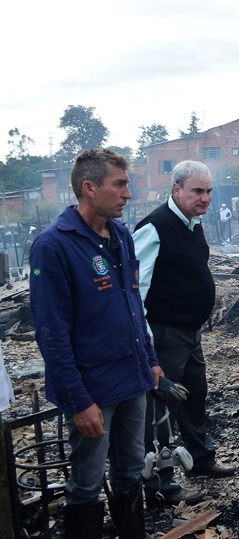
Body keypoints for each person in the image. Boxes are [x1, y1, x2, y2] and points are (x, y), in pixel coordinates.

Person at [30, 149, 161, 538]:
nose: (128, 194)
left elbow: (133, 301)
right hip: (92, 387)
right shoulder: (53, 245)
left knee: (130, 469)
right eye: (119, 184)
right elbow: (51, 332)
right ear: (90, 188)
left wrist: (150, 358)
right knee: (86, 481)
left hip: (132, 375)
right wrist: (78, 400)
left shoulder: (120, 234)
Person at [134, 161, 236, 507]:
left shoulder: (194, 225)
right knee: (160, 408)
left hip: (189, 334)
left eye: (208, 191)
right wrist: (146, 343)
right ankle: (160, 486)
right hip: (163, 335)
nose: (205, 198)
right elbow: (135, 290)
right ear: (176, 189)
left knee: (194, 397)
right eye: (197, 191)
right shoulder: (154, 227)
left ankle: (201, 461)